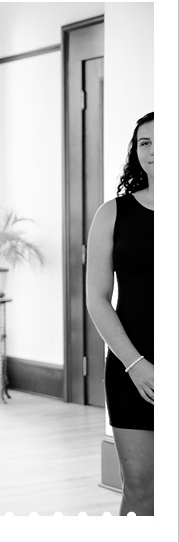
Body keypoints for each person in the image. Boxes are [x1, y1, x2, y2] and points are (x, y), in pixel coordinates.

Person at [86, 111, 154, 516]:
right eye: (145, 143)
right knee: (141, 491)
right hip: (133, 368)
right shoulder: (112, 213)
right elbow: (97, 298)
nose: (153, 151)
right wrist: (136, 365)